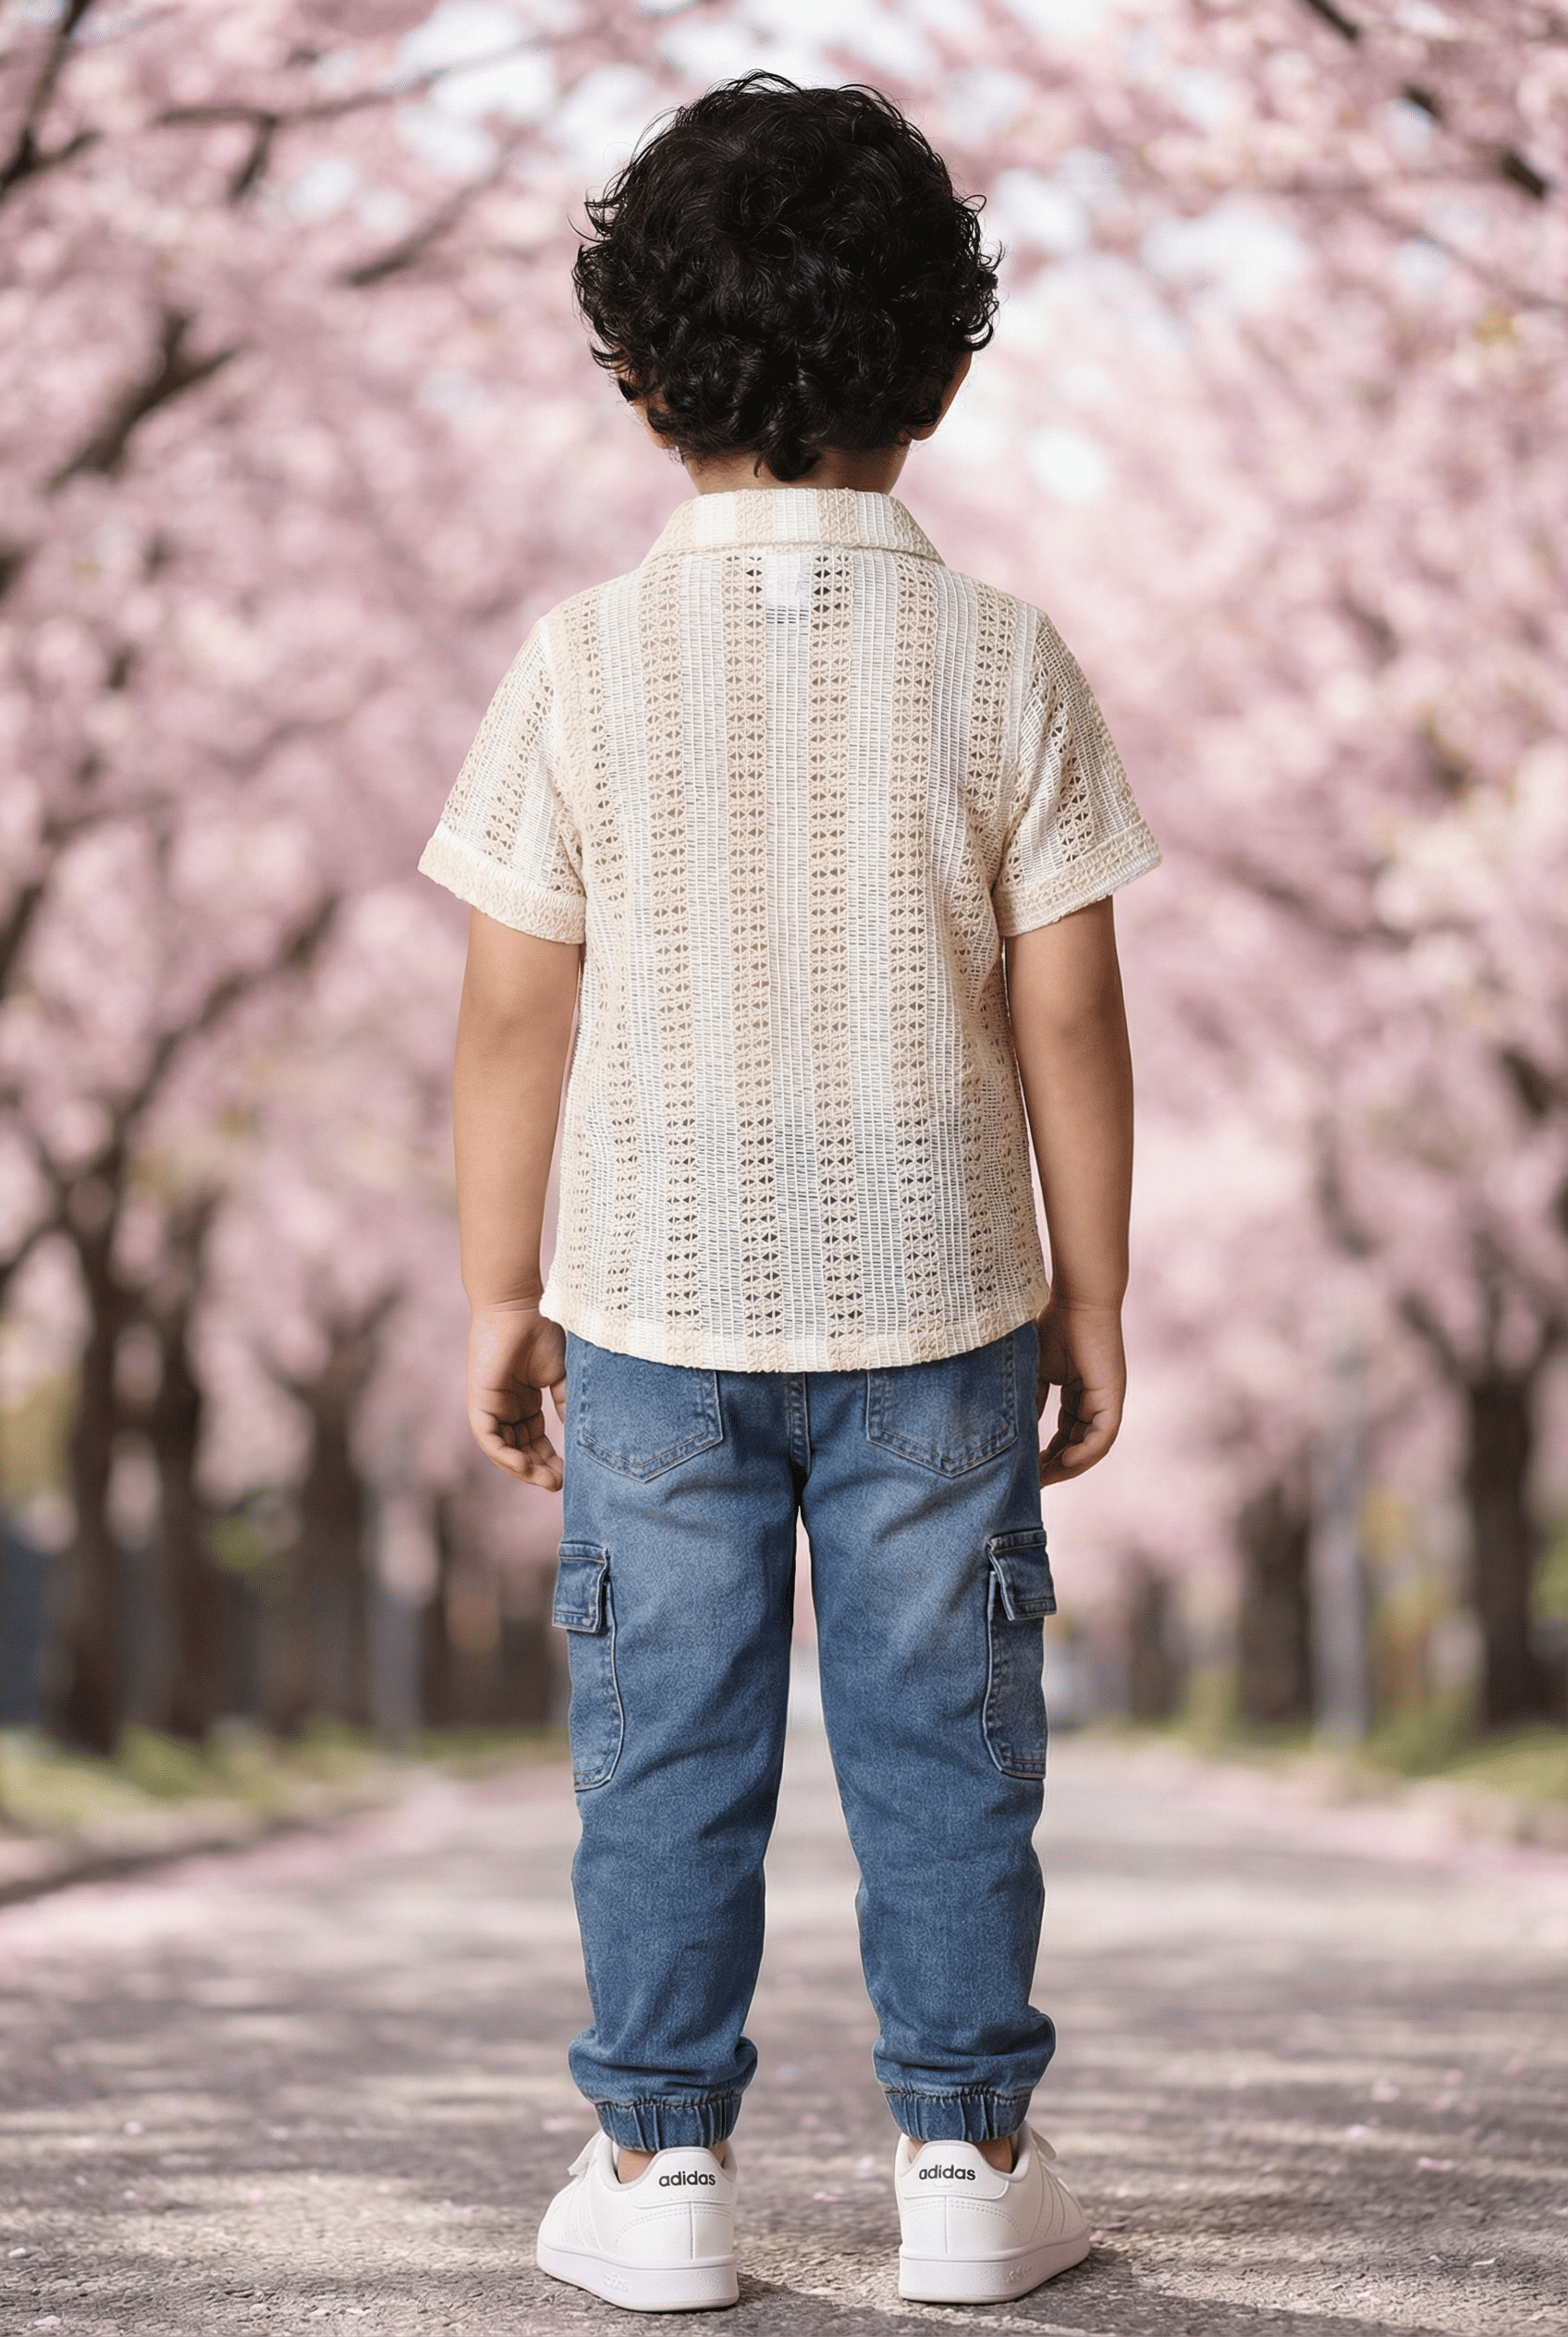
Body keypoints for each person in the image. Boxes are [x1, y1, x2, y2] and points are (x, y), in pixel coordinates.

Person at [419, 71, 1160, 2314]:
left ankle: (657, 2176)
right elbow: (1069, 1017)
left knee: (663, 1745)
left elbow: (509, 1018)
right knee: (951, 1739)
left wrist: (493, 1284)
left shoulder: (577, 661)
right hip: (941, 1299)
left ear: (637, 377)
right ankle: (966, 2155)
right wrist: (1090, 1295)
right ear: (941, 368)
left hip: (643, 1303)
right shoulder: (1002, 656)